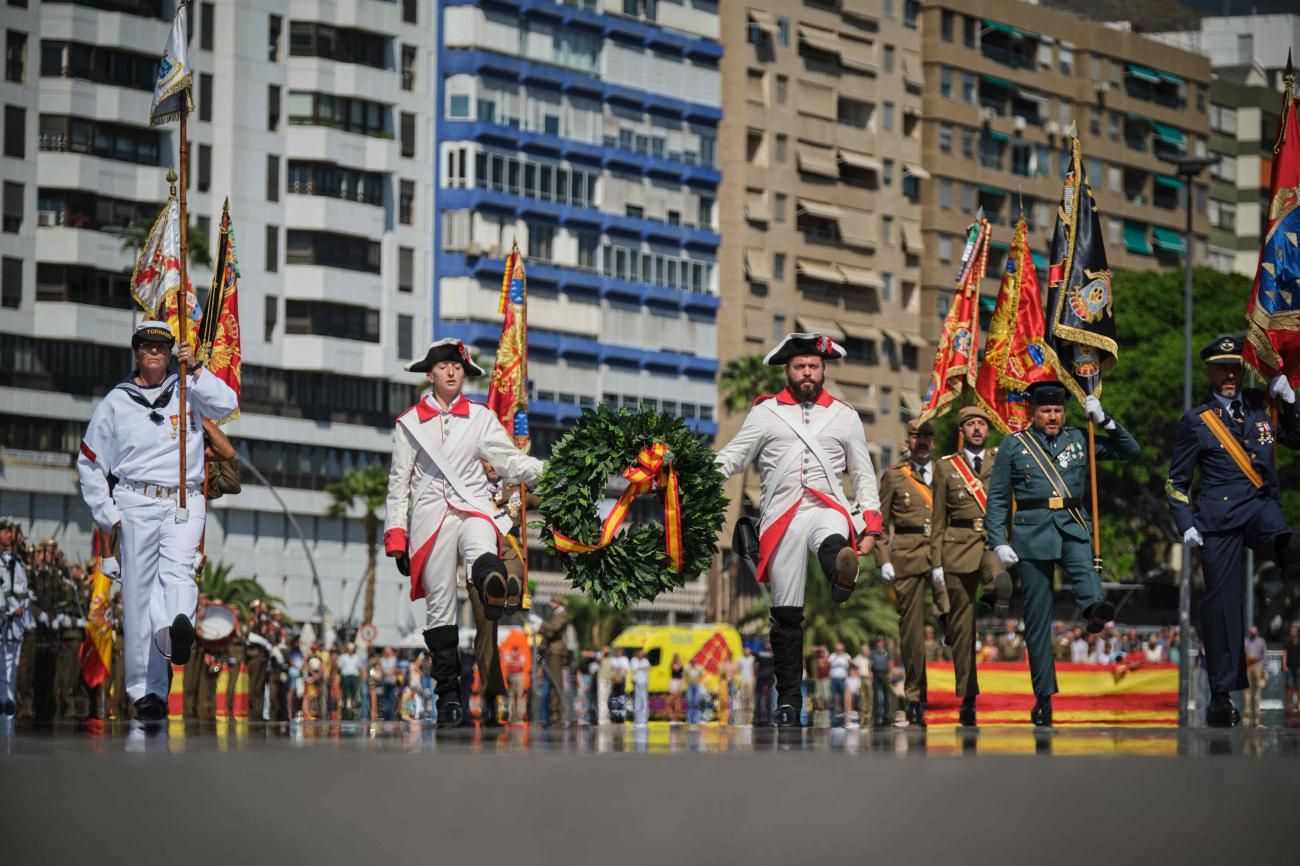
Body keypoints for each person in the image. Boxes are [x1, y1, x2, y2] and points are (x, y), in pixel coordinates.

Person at [715, 333, 883, 727]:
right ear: (787, 371)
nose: (807, 372)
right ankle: (789, 701)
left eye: (813, 366)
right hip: (780, 518)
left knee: (831, 537)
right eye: (799, 366)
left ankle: (841, 572)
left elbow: (863, 475)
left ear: (823, 369)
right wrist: (688, 474)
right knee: (786, 616)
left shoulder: (845, 415)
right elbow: (733, 458)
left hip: (827, 505)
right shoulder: (765, 412)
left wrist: (871, 524)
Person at [76, 321, 238, 722]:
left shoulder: (187, 388)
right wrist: (107, 514)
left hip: (183, 497)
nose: (155, 352)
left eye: (162, 348)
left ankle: (177, 629)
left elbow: (227, 403)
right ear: (136, 351)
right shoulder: (115, 402)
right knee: (139, 599)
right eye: (147, 346)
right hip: (134, 500)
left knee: (179, 571)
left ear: (170, 354)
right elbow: (90, 464)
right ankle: (147, 692)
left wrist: (197, 369)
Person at [383, 338, 543, 727]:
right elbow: (398, 482)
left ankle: (491, 583)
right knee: (440, 607)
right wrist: (397, 535)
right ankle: (449, 698)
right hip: (429, 518)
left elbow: (509, 461)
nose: (452, 372)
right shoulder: (408, 423)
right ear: (430, 374)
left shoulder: (481, 417)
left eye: (458, 366)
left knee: (480, 541)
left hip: (473, 506)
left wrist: (545, 471)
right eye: (443, 366)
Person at [985, 379, 1140, 726]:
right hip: (1030, 532)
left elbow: (1130, 450)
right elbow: (996, 498)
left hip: (1072, 523)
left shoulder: (1079, 438)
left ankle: (1094, 609)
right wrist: (998, 540)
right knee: (1038, 622)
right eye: (1046, 411)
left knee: (1084, 570)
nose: (1053, 417)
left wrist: (1105, 420)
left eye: (1057, 410)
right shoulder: (1014, 445)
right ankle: (1044, 697)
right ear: (1033, 412)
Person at [1166, 335, 1300, 727]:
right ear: (1208, 371)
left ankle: (1287, 553)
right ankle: (1221, 697)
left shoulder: (1263, 407)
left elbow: (1296, 439)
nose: (1229, 375)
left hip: (1259, 508)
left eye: (1235, 368)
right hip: (1217, 517)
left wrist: (1290, 403)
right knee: (1222, 608)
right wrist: (1185, 524)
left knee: (1284, 540)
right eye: (1222, 368)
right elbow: (1176, 481)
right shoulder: (1198, 420)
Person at [930, 404, 1015, 726]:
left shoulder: (1000, 460)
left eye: (982, 423)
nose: (977, 428)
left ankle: (997, 595)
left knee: (997, 574)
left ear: (987, 429)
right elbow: (938, 519)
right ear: (962, 431)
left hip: (992, 539)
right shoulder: (945, 467)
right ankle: (967, 696)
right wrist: (936, 561)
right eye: (971, 424)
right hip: (957, 544)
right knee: (963, 630)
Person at [876, 418, 945, 728]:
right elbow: (879, 522)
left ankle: (965, 696)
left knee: (957, 618)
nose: (921, 441)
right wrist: (884, 558)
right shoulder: (894, 477)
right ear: (908, 440)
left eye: (927, 436)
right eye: (916, 436)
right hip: (906, 554)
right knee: (912, 632)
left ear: (933, 441)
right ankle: (916, 697)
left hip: (945, 552)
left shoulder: (946, 473)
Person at [0, 516, 31, 717]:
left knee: (13, 663)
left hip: (16, 623)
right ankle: (3, 699)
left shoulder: (17, 562)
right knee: (2, 663)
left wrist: (22, 606)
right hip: (3, 618)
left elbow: (23, 589)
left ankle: (8, 699)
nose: (10, 535)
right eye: (6, 531)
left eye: (11, 531)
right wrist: (11, 608)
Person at [537, 597, 571, 726]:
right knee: (551, 682)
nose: (551, 604)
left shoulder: (562, 615)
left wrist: (540, 624)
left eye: (553, 602)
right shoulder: (556, 615)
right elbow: (550, 632)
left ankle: (557, 714)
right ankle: (553, 713)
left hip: (557, 651)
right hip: (552, 650)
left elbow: (554, 628)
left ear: (559, 603)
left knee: (556, 682)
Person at [1244, 626, 1269, 727]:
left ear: (1257, 633)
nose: (1252, 634)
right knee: (1247, 690)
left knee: (1257, 690)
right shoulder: (1246, 641)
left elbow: (1264, 655)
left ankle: (1256, 713)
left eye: (1254, 633)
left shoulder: (1261, 641)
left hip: (1258, 665)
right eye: (1251, 632)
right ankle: (1247, 714)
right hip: (1248, 666)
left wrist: (1264, 669)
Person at [630, 647, 650, 726]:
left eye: (642, 653)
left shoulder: (645, 660)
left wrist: (640, 667)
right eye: (640, 653)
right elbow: (634, 668)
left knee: (644, 701)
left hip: (644, 683)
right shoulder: (633, 660)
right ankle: (637, 720)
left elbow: (648, 667)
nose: (641, 654)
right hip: (637, 683)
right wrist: (642, 667)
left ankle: (644, 720)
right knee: (637, 701)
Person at [1283, 626, 1300, 716]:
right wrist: (1284, 665)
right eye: (1291, 631)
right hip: (1289, 667)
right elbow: (1285, 654)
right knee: (1289, 687)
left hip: (1298, 668)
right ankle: (1289, 705)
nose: (1292, 633)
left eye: (1294, 631)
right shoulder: (1288, 643)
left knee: (1298, 687)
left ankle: (1298, 705)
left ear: (1297, 633)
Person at [737, 646, 756, 727]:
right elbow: (738, 670)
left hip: (750, 680)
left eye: (748, 650)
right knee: (743, 700)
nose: (746, 652)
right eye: (745, 650)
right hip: (743, 681)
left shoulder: (753, 659)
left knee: (750, 700)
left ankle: (750, 720)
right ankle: (743, 721)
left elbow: (755, 670)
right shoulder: (740, 659)